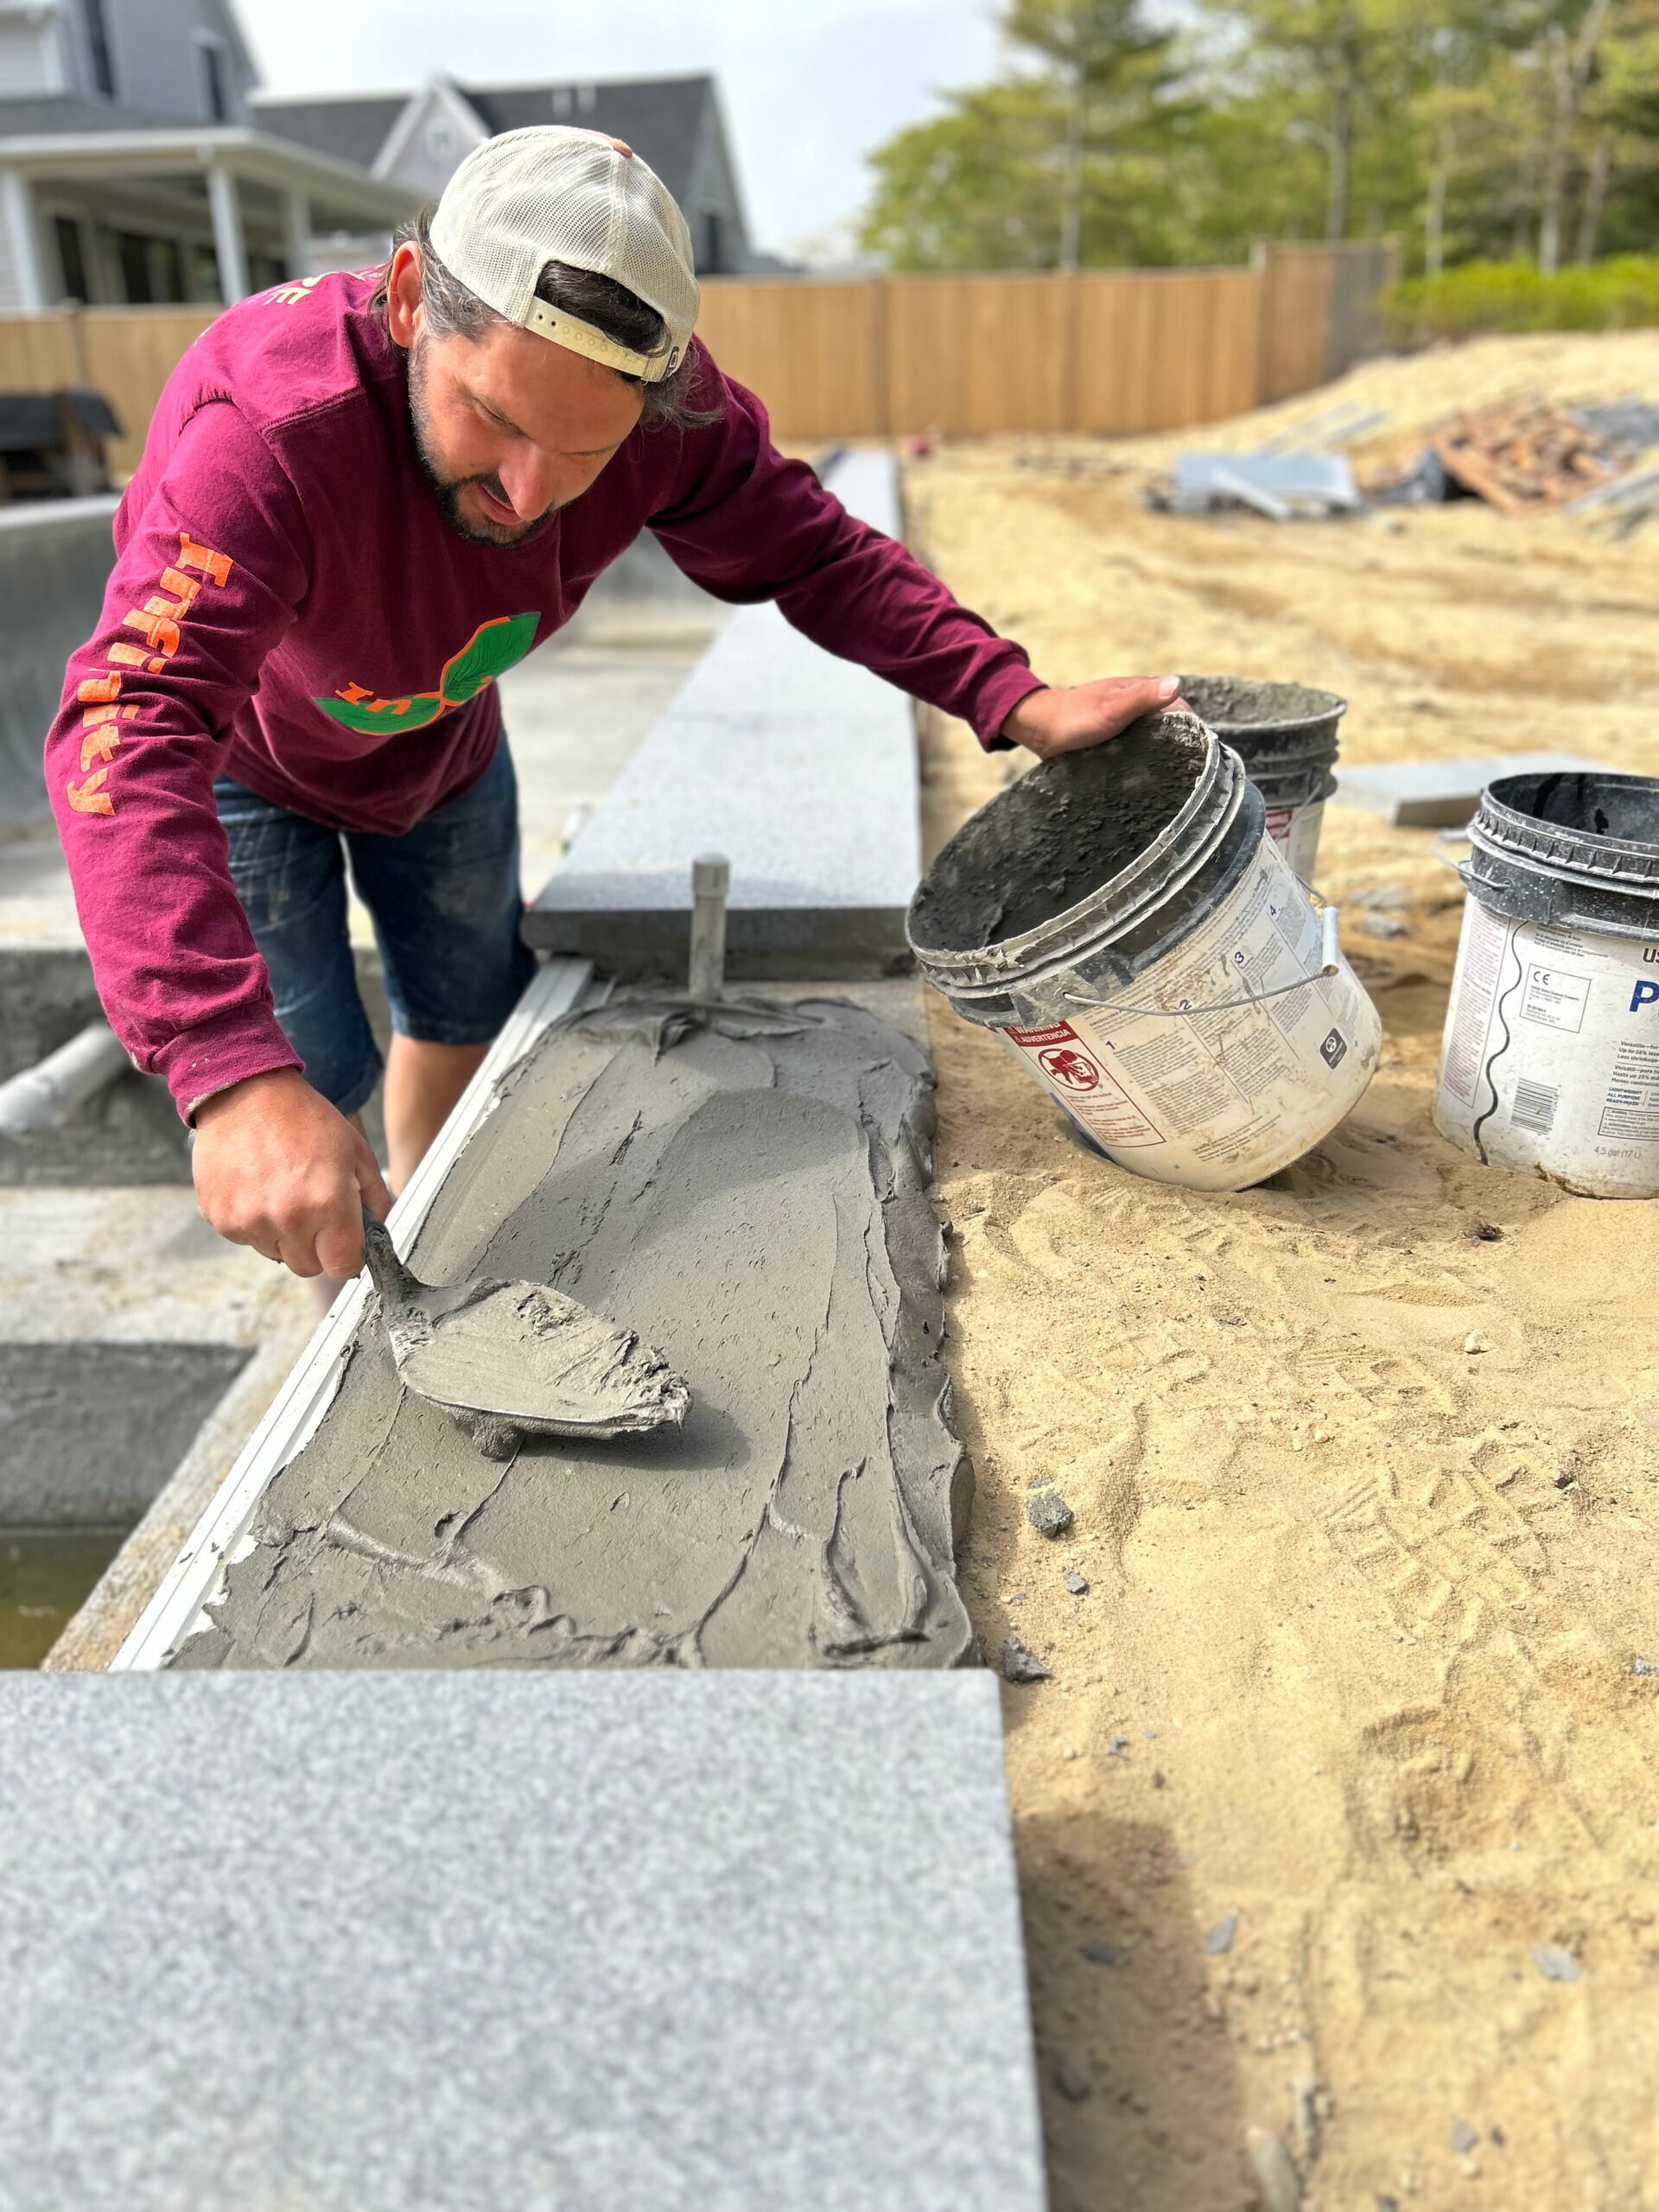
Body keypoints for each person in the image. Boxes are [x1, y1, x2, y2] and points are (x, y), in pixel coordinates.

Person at [47, 126, 1181, 1297]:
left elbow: (817, 554)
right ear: (404, 303)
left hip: (439, 744)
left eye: (585, 451)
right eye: (495, 418)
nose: (529, 495)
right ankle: (359, 1314)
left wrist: (1011, 693)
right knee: (306, 1072)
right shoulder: (270, 436)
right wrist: (230, 1075)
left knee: (468, 1006)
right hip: (250, 768)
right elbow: (128, 723)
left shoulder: (670, 417)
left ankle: (436, 1236)